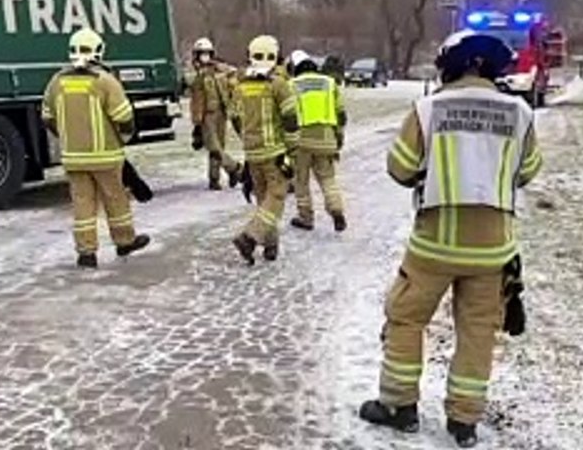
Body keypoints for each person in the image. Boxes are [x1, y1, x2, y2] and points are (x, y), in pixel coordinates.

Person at [358, 30, 542, 448]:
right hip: (493, 248)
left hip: (433, 245)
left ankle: (399, 407)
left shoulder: (428, 109)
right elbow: (529, 170)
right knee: (478, 331)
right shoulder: (519, 112)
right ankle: (464, 420)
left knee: (406, 318)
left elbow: (400, 168)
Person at [42, 28, 152, 269]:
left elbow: (48, 117)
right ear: (98, 51)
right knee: (116, 200)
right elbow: (124, 117)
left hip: (73, 158)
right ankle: (124, 241)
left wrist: (68, 138)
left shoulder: (56, 82)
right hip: (106, 156)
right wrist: (122, 139)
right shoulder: (104, 81)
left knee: (82, 205)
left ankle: (86, 253)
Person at [231, 34, 299, 265]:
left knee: (263, 199)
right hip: (274, 152)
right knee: (277, 198)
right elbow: (291, 120)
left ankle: (270, 246)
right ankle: (250, 238)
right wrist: (291, 153)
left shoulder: (240, 86)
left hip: (252, 153)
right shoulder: (278, 84)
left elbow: (235, 118)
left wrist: (248, 140)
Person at [287, 50, 348, 233]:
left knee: (301, 181)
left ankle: (306, 217)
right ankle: (336, 210)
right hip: (326, 138)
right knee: (328, 178)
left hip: (301, 139)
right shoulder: (329, 83)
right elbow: (341, 114)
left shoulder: (291, 85)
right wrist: (338, 136)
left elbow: (288, 115)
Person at [189, 37, 242, 190]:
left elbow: (234, 76)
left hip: (221, 113)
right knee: (214, 147)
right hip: (206, 115)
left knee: (219, 147)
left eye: (207, 53)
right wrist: (197, 122)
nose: (204, 56)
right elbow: (195, 95)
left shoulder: (220, 70)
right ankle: (235, 169)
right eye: (201, 53)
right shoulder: (196, 74)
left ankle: (214, 179)